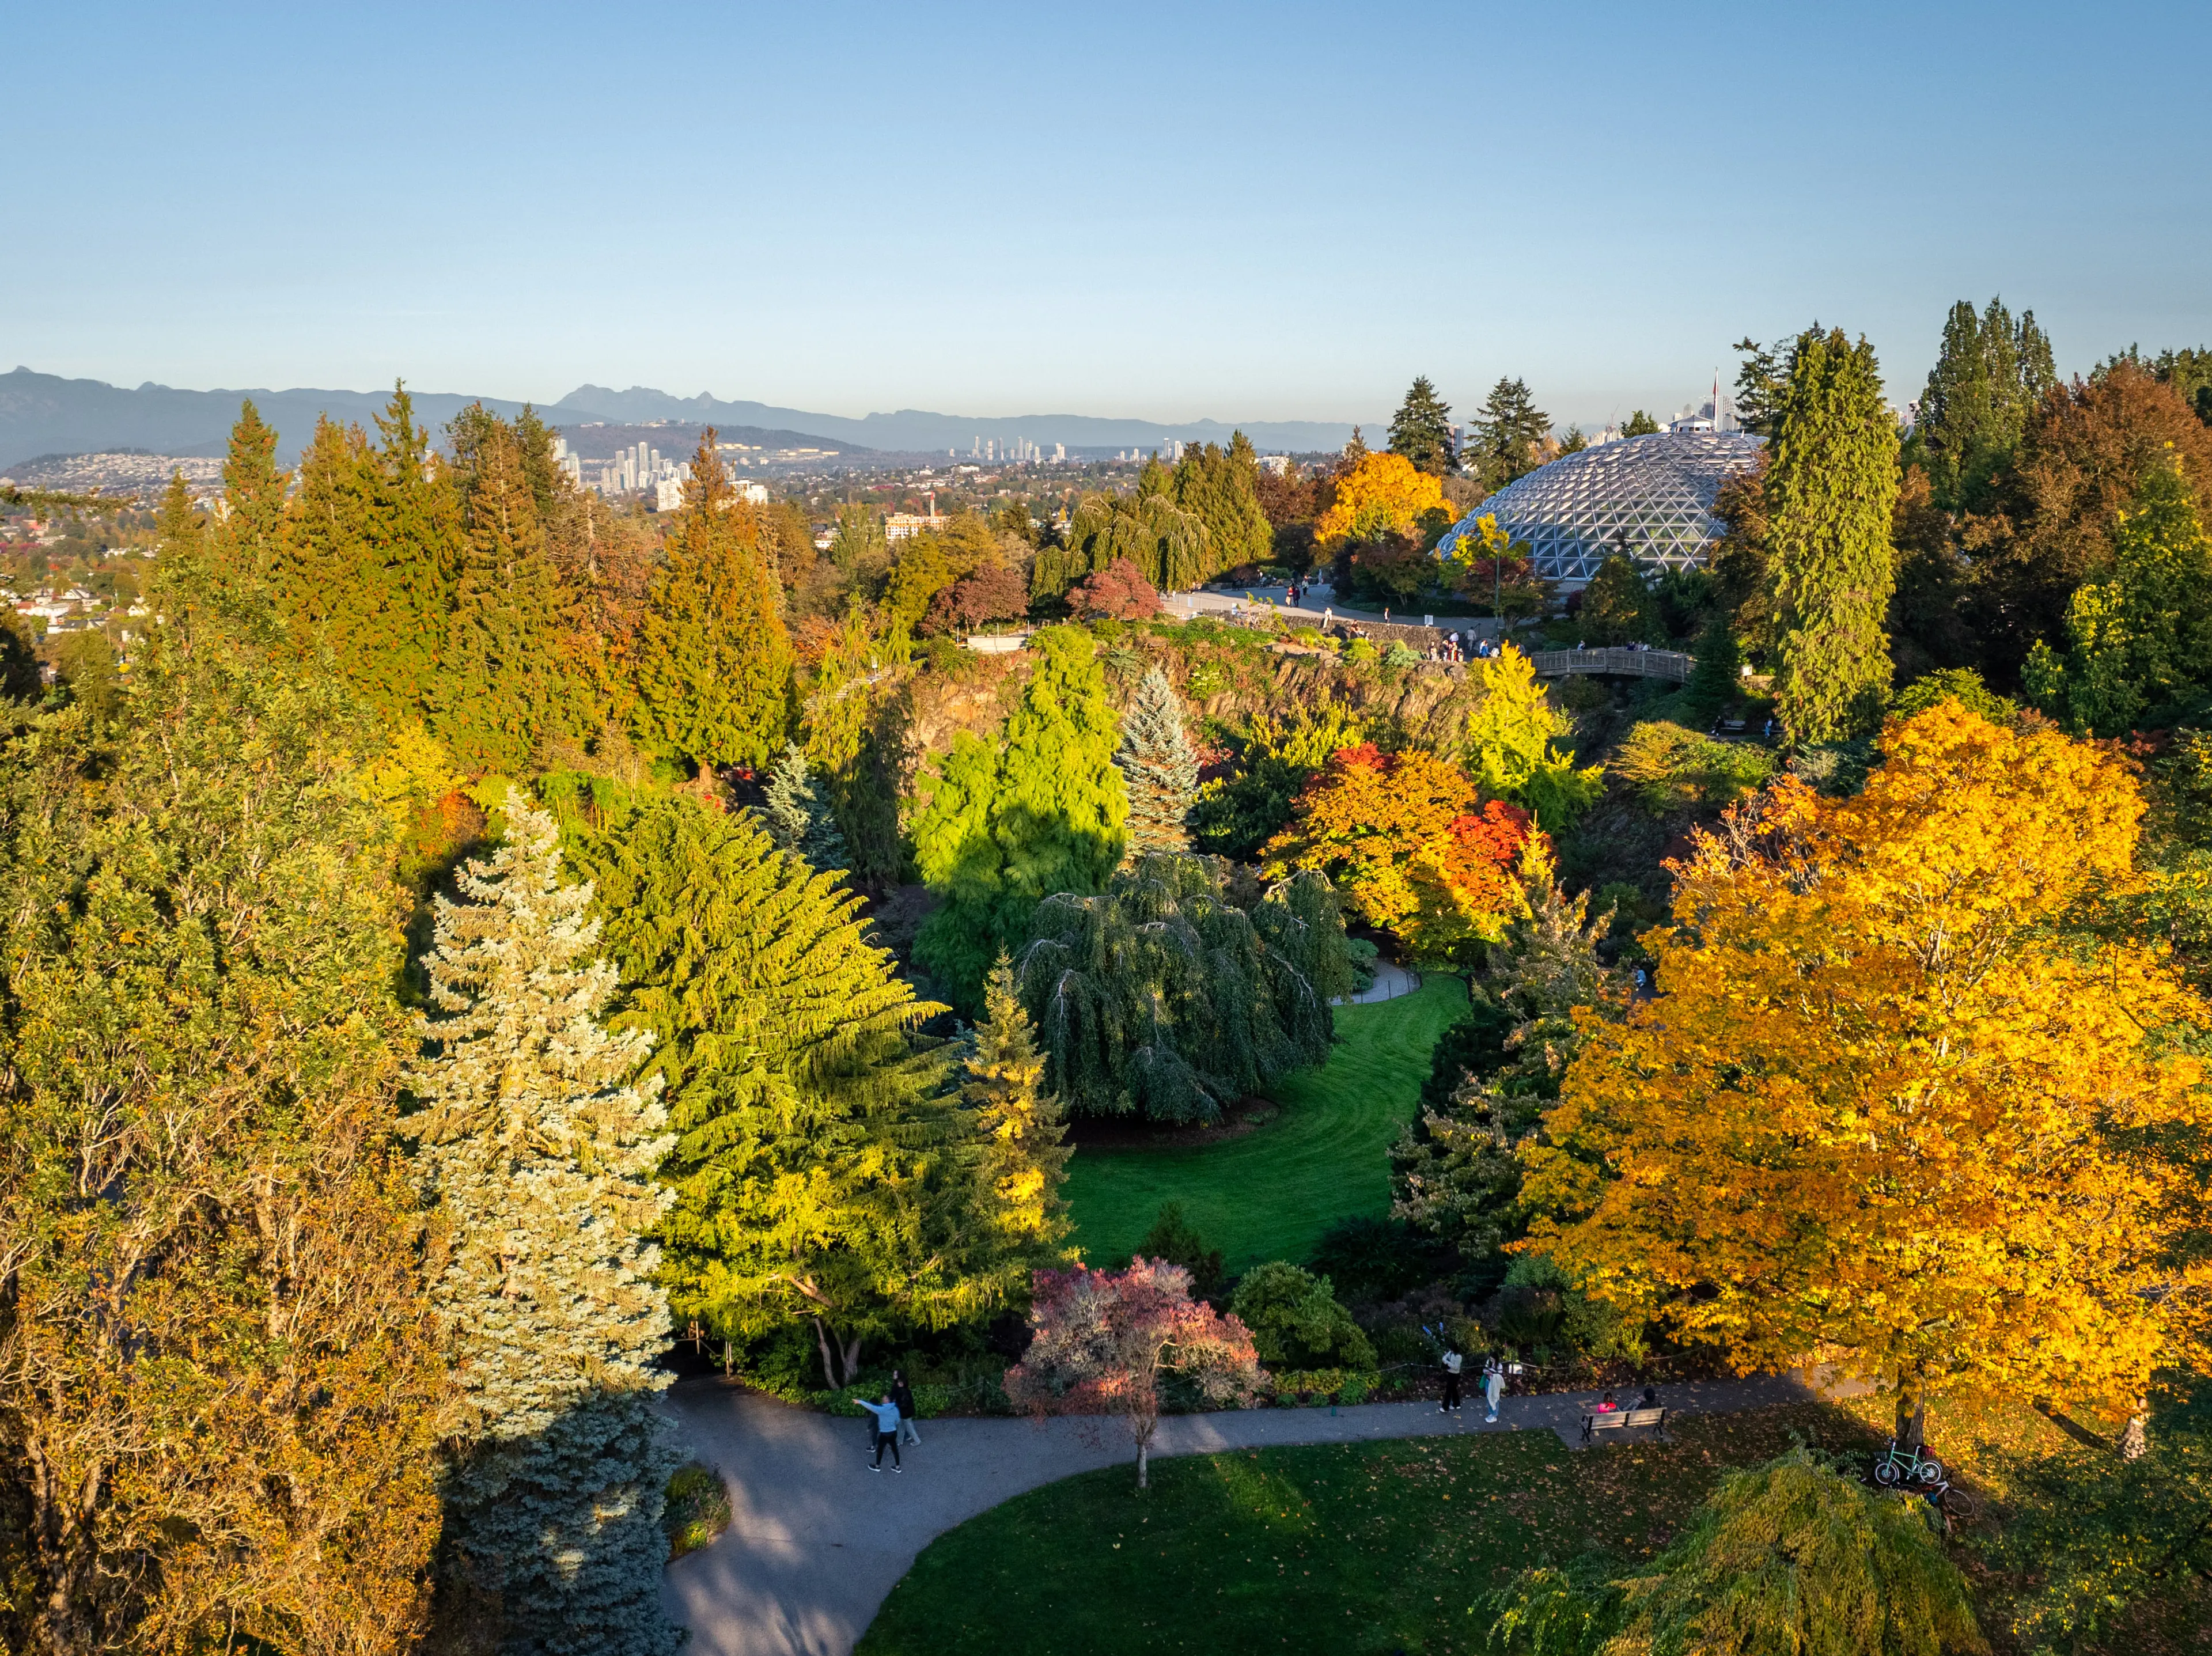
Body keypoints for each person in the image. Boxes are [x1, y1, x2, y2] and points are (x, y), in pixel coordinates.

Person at [857, 1393, 904, 1471]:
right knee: (895, 1449)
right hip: (893, 1432)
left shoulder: (882, 1409)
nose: (883, 1399)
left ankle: (877, 1466)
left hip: (884, 1433)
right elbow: (898, 1421)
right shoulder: (895, 1409)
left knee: (880, 1450)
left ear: (888, 1400)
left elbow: (871, 1407)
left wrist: (860, 1402)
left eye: (884, 1398)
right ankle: (898, 1467)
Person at [892, 1369, 921, 1447]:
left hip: (905, 1413)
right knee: (902, 1427)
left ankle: (917, 1441)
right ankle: (899, 1441)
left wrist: (896, 1403)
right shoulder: (905, 1390)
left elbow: (904, 1404)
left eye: (900, 1383)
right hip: (904, 1412)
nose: (899, 1384)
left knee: (908, 1428)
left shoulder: (904, 1392)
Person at [1482, 1354, 1506, 1423]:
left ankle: (1495, 1415)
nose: (1491, 1361)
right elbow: (1484, 1369)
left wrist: (1492, 1374)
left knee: (1495, 1398)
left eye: (1493, 1359)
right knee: (1489, 1397)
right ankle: (1491, 1413)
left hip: (1495, 1383)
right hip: (1488, 1381)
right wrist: (1486, 1372)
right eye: (1490, 1359)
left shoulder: (1499, 1365)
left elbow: (1499, 1376)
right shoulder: (1488, 1362)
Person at [1440, 1347, 1464, 1413]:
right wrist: (1447, 1361)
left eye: (1452, 1350)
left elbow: (1456, 1367)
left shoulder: (1459, 1357)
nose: (1451, 1351)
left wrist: (1447, 1362)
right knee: (1453, 1389)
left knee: (1449, 1391)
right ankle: (1457, 1404)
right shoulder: (1451, 1353)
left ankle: (1445, 1408)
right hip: (1450, 1373)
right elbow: (1444, 1358)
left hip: (1455, 1375)